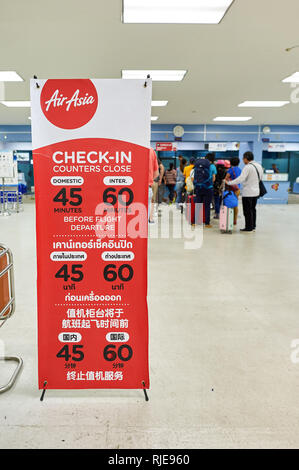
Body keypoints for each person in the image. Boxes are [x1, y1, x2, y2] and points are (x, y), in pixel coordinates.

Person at [226, 151, 263, 232]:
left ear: (246, 158)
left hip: (248, 192)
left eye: (243, 158)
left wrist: (229, 183)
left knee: (247, 210)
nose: (243, 160)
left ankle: (248, 227)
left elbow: (241, 179)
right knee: (253, 209)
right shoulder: (259, 166)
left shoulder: (247, 167)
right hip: (256, 192)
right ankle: (253, 226)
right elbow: (261, 178)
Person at [191, 154, 217, 228]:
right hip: (208, 188)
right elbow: (213, 179)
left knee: (198, 204)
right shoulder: (212, 166)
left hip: (198, 187)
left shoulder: (197, 166)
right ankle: (207, 223)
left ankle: (194, 222)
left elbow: (193, 177)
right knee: (207, 206)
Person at [227, 157, 242, 225]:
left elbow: (226, 178)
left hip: (231, 189)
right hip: (238, 189)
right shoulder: (240, 170)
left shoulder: (230, 170)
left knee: (230, 203)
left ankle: (230, 219)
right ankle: (234, 220)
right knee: (235, 204)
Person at [148, 148, 159, 223]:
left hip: (129, 188)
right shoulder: (151, 151)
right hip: (147, 187)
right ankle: (150, 218)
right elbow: (156, 174)